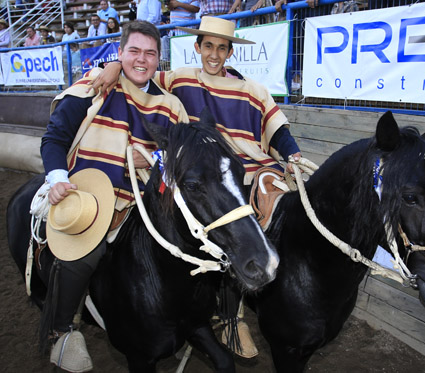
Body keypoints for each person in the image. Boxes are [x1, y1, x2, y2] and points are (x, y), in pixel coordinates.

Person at [92, 16, 302, 359]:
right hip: (202, 174)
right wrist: (114, 64)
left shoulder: (253, 89)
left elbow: (276, 128)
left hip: (244, 170)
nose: (214, 54)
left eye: (221, 48)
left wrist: (291, 153)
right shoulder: (178, 79)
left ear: (231, 51)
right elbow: (138, 70)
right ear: (197, 47)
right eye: (208, 46)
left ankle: (242, 315)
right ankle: (225, 319)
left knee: (269, 215)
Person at [38, 20, 188, 372]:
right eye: (133, 51)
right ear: (119, 53)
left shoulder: (172, 105)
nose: (141, 60)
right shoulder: (95, 86)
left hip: (145, 203)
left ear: (159, 60)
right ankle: (61, 331)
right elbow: (55, 137)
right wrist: (58, 177)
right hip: (90, 197)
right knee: (84, 253)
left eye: (150, 53)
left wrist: (153, 159)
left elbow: (183, 158)